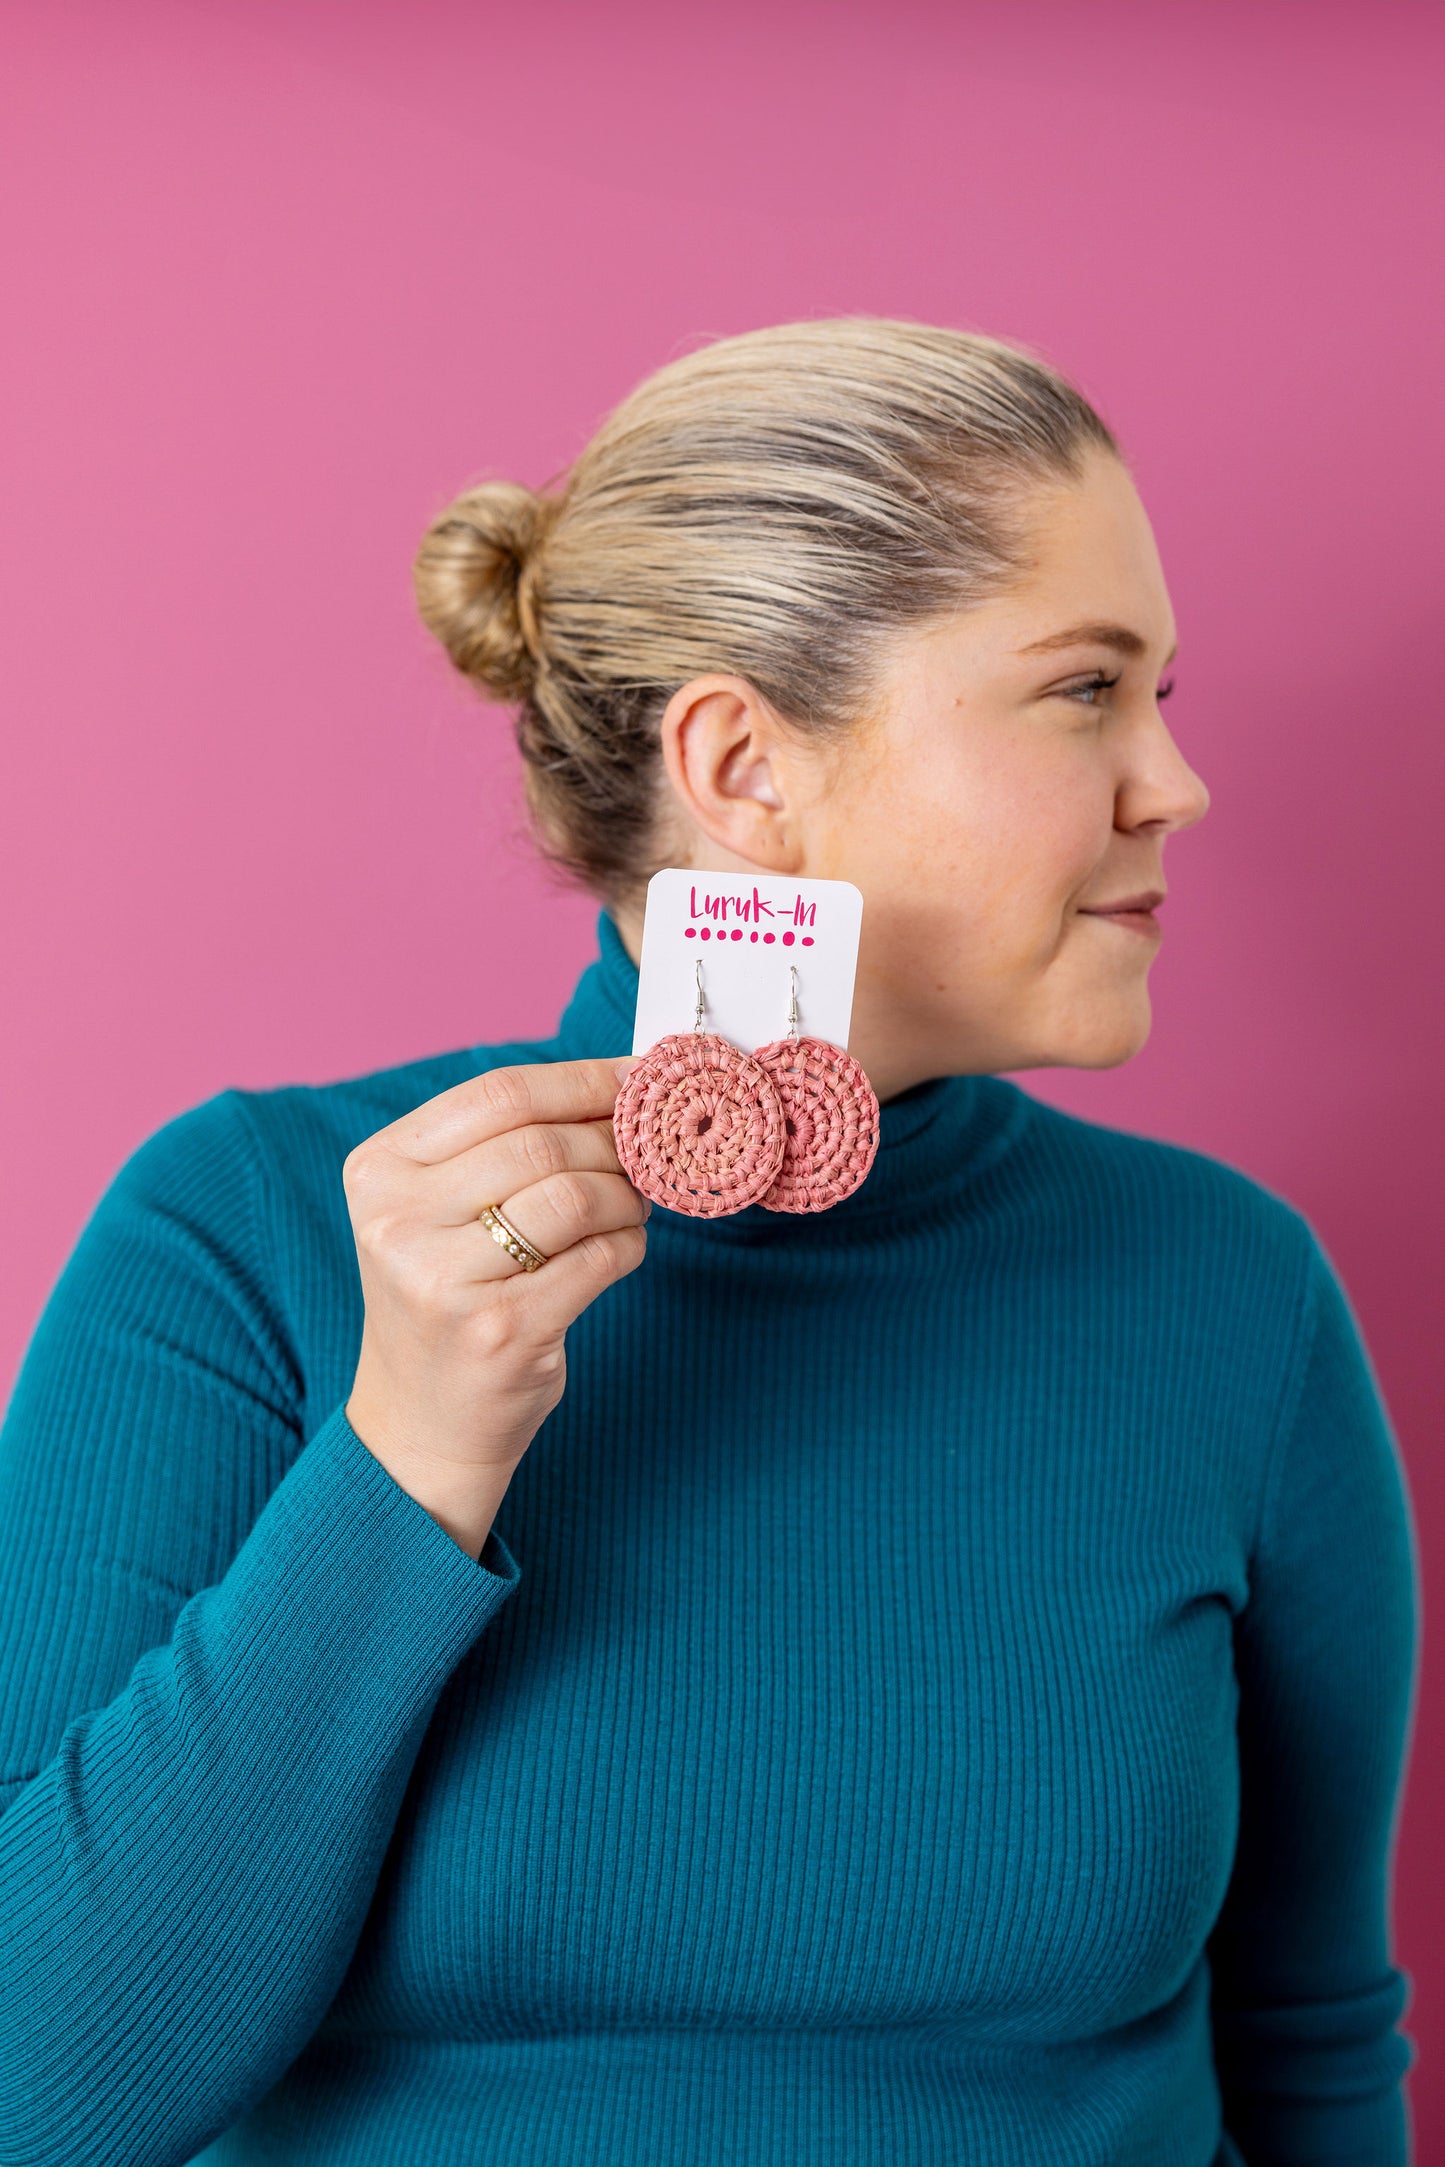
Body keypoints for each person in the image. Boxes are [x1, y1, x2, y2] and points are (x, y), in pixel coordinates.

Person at [0, 316, 1419, 2166]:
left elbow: (1310, 2037)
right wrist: (411, 1457)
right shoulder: (243, 1235)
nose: (1175, 784)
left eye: (1160, 696)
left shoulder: (1232, 1296)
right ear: (744, 764)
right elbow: (39, 2094)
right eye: (1086, 690)